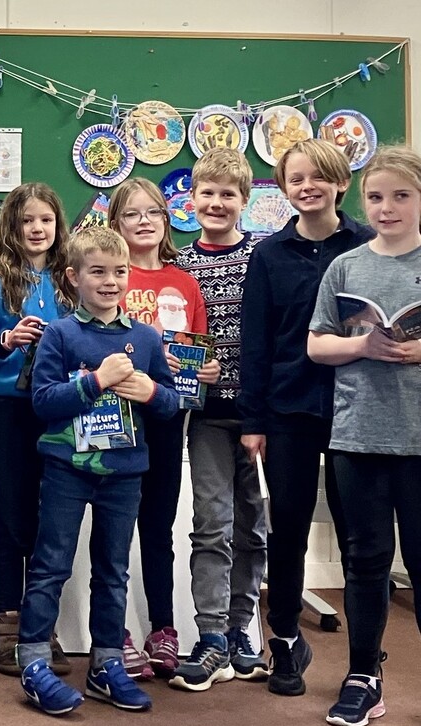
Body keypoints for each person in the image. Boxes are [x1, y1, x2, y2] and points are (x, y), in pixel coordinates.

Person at [17, 226, 178, 716]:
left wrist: (149, 392)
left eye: (120, 271)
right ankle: (34, 661)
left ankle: (107, 662)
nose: (111, 281)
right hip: (67, 468)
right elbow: (42, 402)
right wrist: (95, 381)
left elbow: (171, 403)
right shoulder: (62, 334)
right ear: (74, 277)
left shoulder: (145, 338)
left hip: (125, 473)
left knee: (113, 570)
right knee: (50, 565)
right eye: (98, 272)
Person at [239, 139, 373, 697]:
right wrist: (254, 420)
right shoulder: (268, 256)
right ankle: (287, 641)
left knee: (358, 537)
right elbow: (255, 346)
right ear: (284, 186)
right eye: (296, 178)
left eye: (319, 177)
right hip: (289, 409)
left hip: (359, 411)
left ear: (341, 182)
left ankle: (366, 659)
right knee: (288, 528)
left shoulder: (370, 245)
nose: (307, 187)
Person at [307, 144, 421, 726]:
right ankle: (362, 676)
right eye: (376, 197)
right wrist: (364, 345)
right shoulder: (346, 266)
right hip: (358, 438)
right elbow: (317, 343)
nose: (387, 208)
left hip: (418, 440)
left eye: (401, 196)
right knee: (366, 560)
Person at [0, 182, 75, 676]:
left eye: (45, 220)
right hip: (9, 410)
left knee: (51, 520)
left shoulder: (73, 278)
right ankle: (7, 620)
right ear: (11, 226)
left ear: (58, 225)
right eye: (27, 220)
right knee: (11, 519)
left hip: (61, 412)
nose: (36, 229)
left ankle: (41, 624)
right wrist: (6, 341)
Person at [109, 177, 216, 680]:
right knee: (112, 528)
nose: (145, 220)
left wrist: (204, 369)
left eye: (153, 211)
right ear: (116, 224)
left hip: (167, 418)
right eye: (132, 214)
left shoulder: (184, 281)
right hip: (113, 419)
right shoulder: (108, 276)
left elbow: (196, 353)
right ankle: (115, 632)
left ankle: (163, 629)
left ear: (167, 217)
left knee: (157, 528)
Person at [170, 148, 268, 691]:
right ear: (191, 199)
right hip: (208, 416)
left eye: (228, 194)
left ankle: (241, 630)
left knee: (254, 527)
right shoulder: (182, 265)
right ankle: (210, 638)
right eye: (207, 193)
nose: (216, 202)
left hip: (258, 413)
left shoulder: (264, 255)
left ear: (245, 201)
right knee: (213, 523)